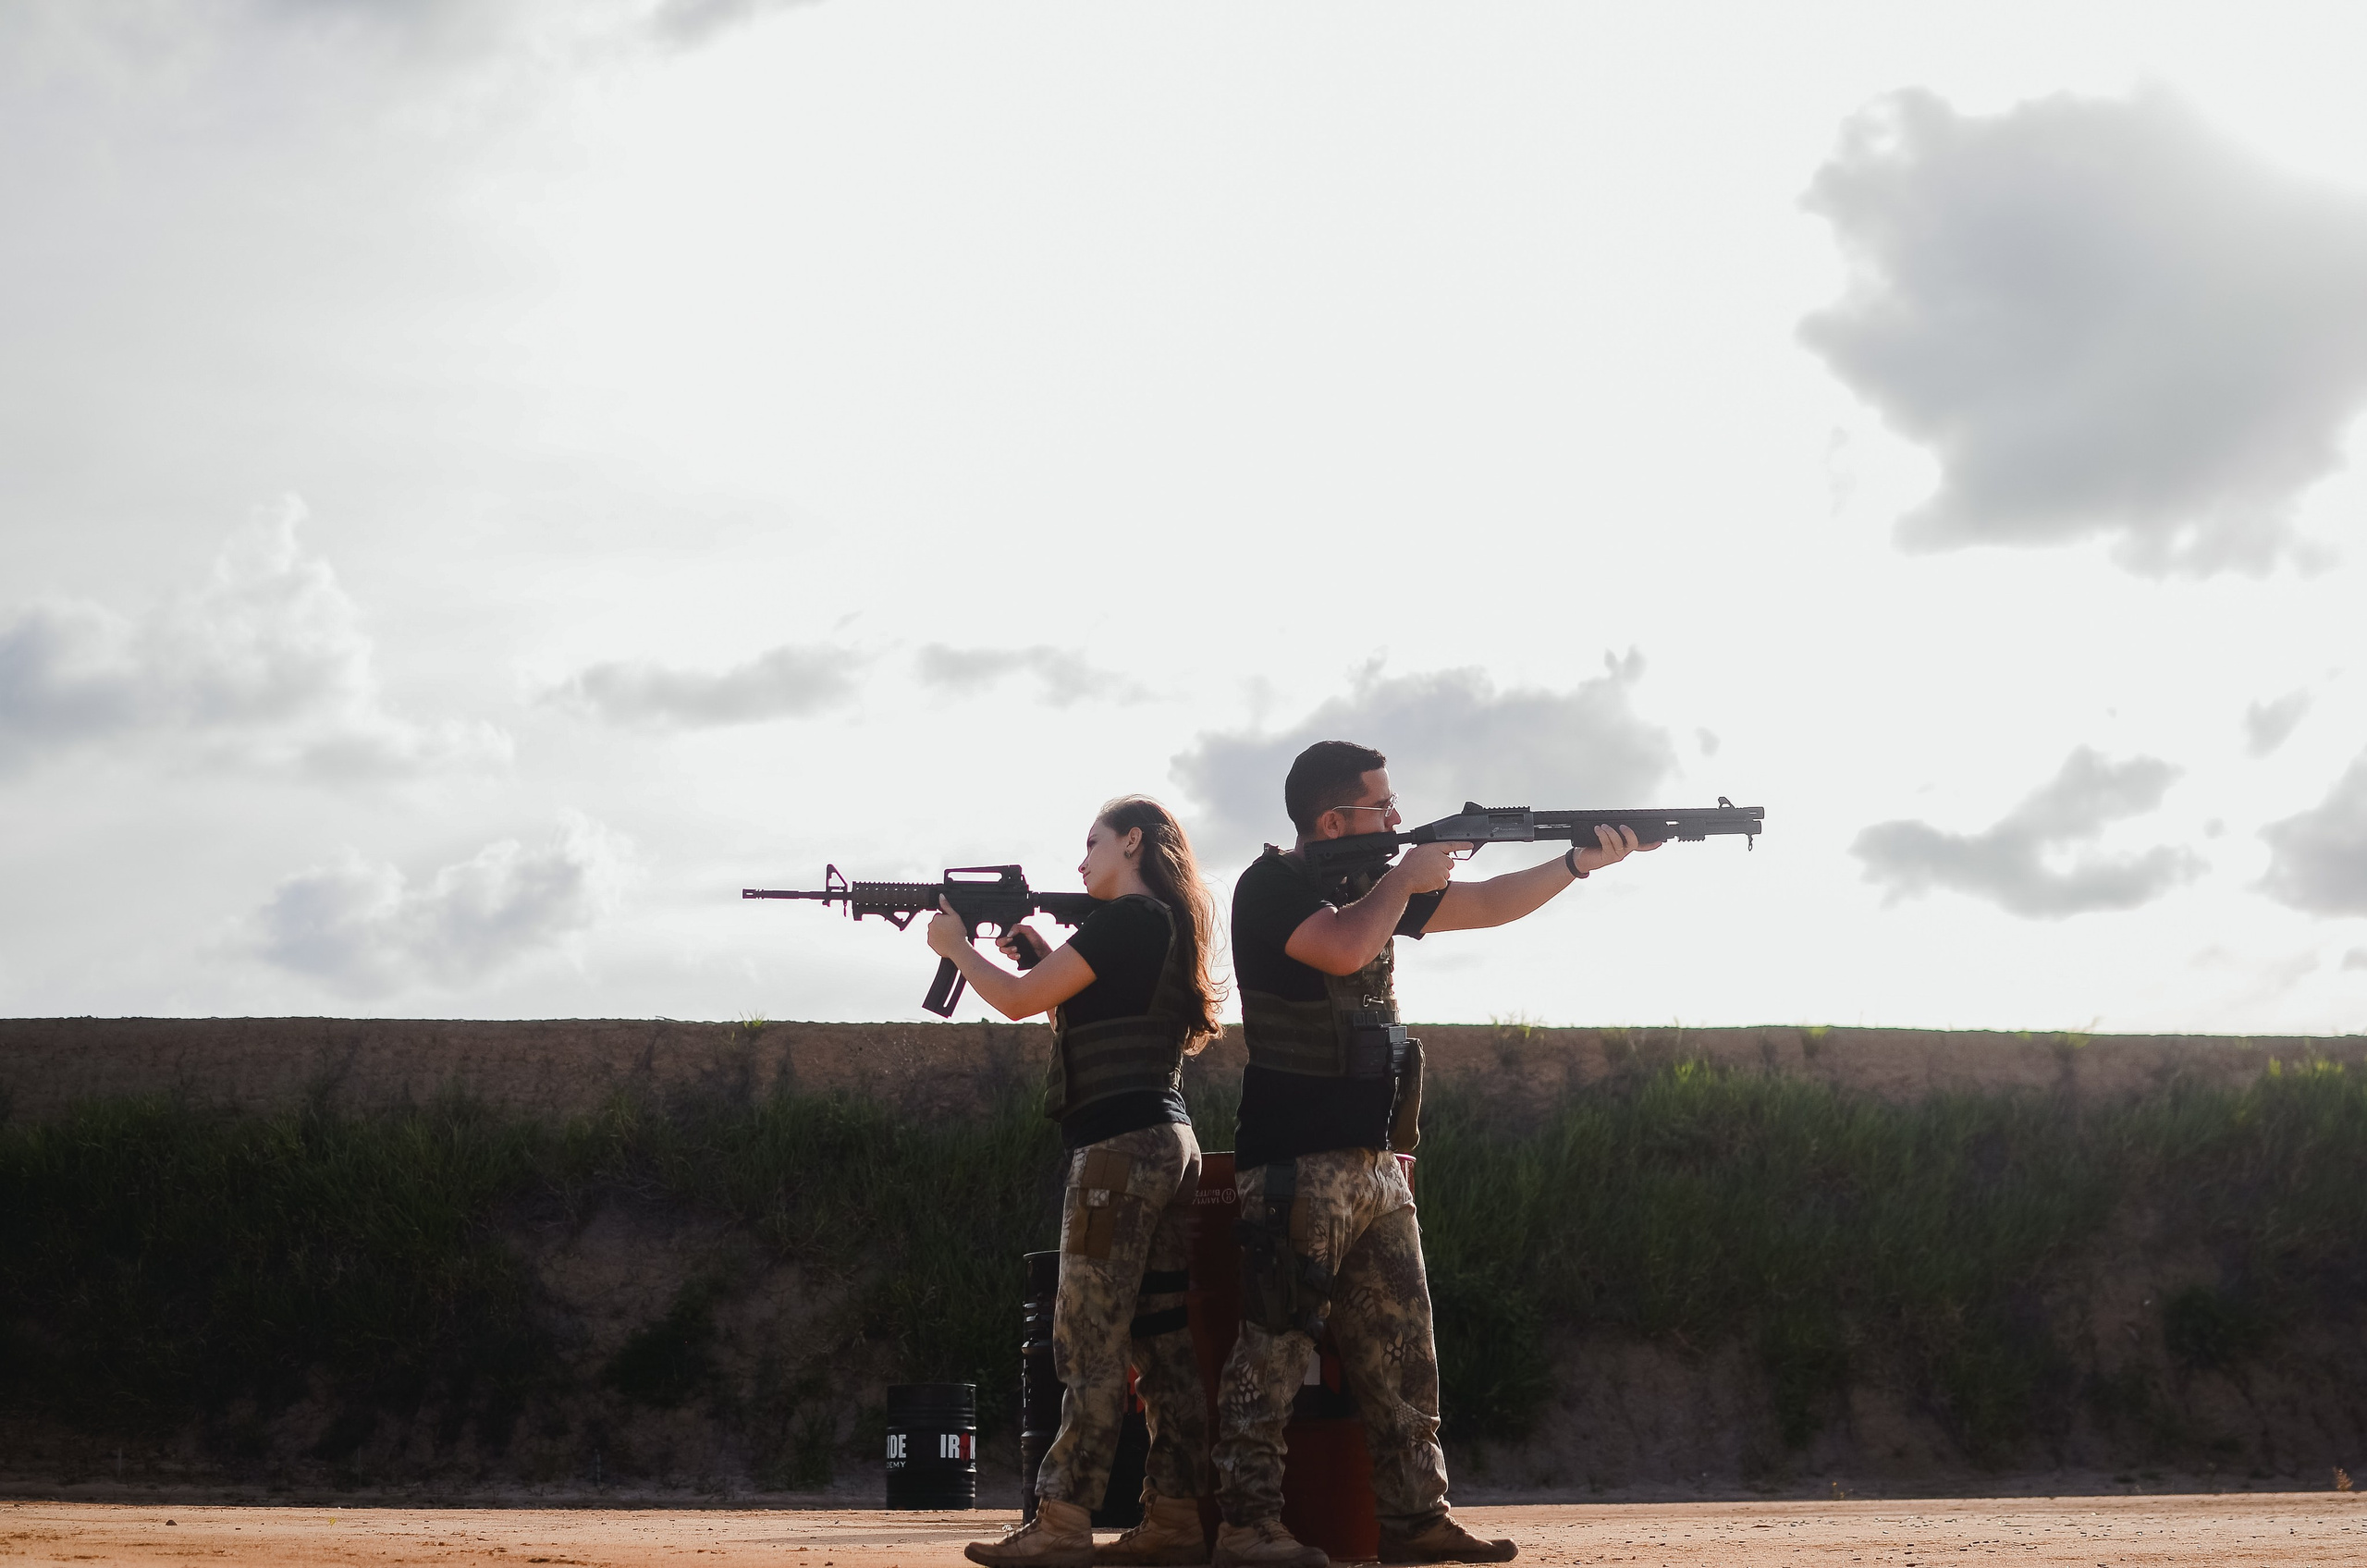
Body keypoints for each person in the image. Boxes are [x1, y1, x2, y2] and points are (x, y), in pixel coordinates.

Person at [1208, 741, 1657, 1568]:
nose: (1395, 816)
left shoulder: (1365, 885)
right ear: (1332, 820)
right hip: (1296, 1162)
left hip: (1378, 1161)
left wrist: (1575, 864)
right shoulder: (1271, 886)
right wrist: (1402, 878)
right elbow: (1342, 948)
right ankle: (1245, 1529)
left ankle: (1417, 1523)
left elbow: (1484, 904)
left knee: (1405, 1353)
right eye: (1381, 806)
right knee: (1272, 1350)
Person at [933, 796, 1230, 1568]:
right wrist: (1032, 949)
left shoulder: (1125, 920)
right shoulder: (1160, 923)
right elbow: (1077, 1002)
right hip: (1170, 1145)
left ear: (1133, 841)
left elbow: (1020, 1001)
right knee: (1160, 1344)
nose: (1080, 860)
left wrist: (956, 948)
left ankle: (1062, 1520)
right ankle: (1172, 1518)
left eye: (1093, 842)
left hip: (1117, 1154)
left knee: (1088, 1340)